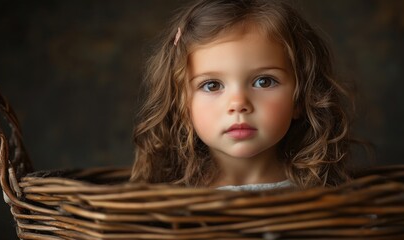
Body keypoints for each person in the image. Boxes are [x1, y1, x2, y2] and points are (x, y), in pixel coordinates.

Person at [130, 0, 358, 190]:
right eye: (211, 85)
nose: (238, 104)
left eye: (264, 81)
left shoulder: (327, 195)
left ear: (300, 97)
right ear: (182, 103)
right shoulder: (166, 200)